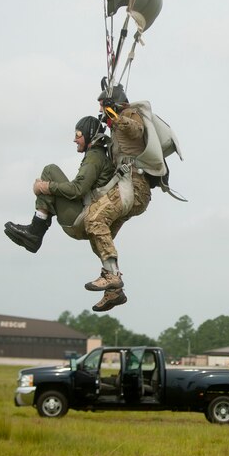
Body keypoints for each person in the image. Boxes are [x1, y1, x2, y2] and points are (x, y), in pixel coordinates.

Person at [4, 117, 116, 292]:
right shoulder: (96, 155)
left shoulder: (95, 156)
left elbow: (78, 189)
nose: (75, 139)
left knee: (50, 171)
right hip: (85, 215)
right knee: (50, 181)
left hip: (81, 218)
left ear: (88, 134)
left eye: (78, 134)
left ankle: (36, 231)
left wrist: (45, 186)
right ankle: (35, 231)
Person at [82, 84, 152, 312]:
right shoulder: (115, 124)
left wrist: (115, 115)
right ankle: (115, 292)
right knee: (100, 238)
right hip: (128, 188)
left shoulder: (130, 114)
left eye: (102, 106)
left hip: (133, 187)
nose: (101, 111)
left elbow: (135, 131)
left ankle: (112, 278)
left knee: (94, 220)